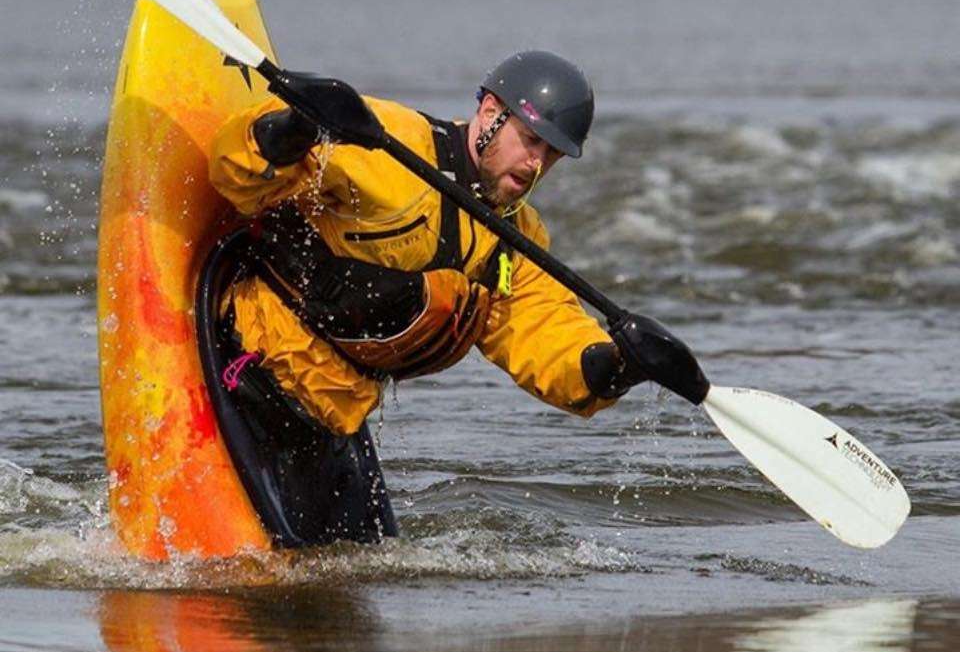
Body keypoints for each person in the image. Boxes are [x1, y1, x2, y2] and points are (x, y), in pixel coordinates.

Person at [203, 50, 708, 548]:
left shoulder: (515, 241)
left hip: (335, 420)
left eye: (552, 154)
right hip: (246, 373)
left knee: (355, 584)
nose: (536, 163)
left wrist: (616, 366)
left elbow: (547, 336)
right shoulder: (389, 142)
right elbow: (236, 177)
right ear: (490, 113)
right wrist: (293, 128)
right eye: (529, 139)